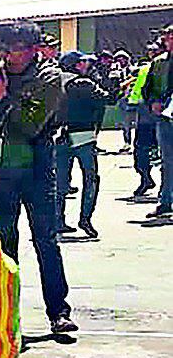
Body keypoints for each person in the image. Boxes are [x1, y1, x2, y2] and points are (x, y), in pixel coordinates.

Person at [0, 21, 76, 334]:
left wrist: (3, 95)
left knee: (46, 240)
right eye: (5, 47)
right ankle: (6, 315)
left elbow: (29, 126)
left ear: (33, 50)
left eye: (16, 49)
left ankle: (58, 311)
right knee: (4, 245)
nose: (9, 55)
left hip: (37, 168)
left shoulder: (49, 77)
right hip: (0, 170)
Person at [54, 51, 115, 239]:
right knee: (90, 179)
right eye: (83, 62)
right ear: (76, 65)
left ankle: (58, 220)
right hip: (83, 136)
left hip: (60, 136)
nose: (87, 65)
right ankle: (85, 218)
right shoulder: (84, 84)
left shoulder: (55, 82)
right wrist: (115, 81)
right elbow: (109, 98)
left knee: (60, 181)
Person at [142, 24, 173, 221]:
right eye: (168, 37)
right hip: (165, 118)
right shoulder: (159, 62)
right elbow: (148, 87)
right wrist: (153, 102)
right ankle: (165, 201)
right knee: (167, 161)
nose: (169, 40)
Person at [128, 44, 160, 199]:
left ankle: (165, 188)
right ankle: (145, 178)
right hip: (146, 117)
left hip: (161, 116)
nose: (152, 53)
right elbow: (138, 91)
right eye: (151, 51)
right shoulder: (145, 68)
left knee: (163, 153)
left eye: (155, 50)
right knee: (141, 151)